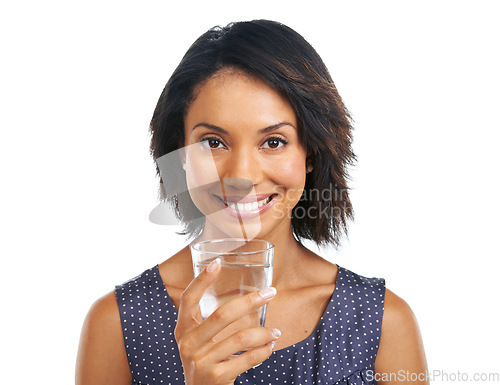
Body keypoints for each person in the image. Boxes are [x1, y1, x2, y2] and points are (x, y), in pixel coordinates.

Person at [76, 20, 428, 385]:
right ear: (179, 155)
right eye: (213, 142)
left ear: (310, 152)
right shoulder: (119, 323)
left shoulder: (381, 320)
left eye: (274, 142)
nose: (241, 175)